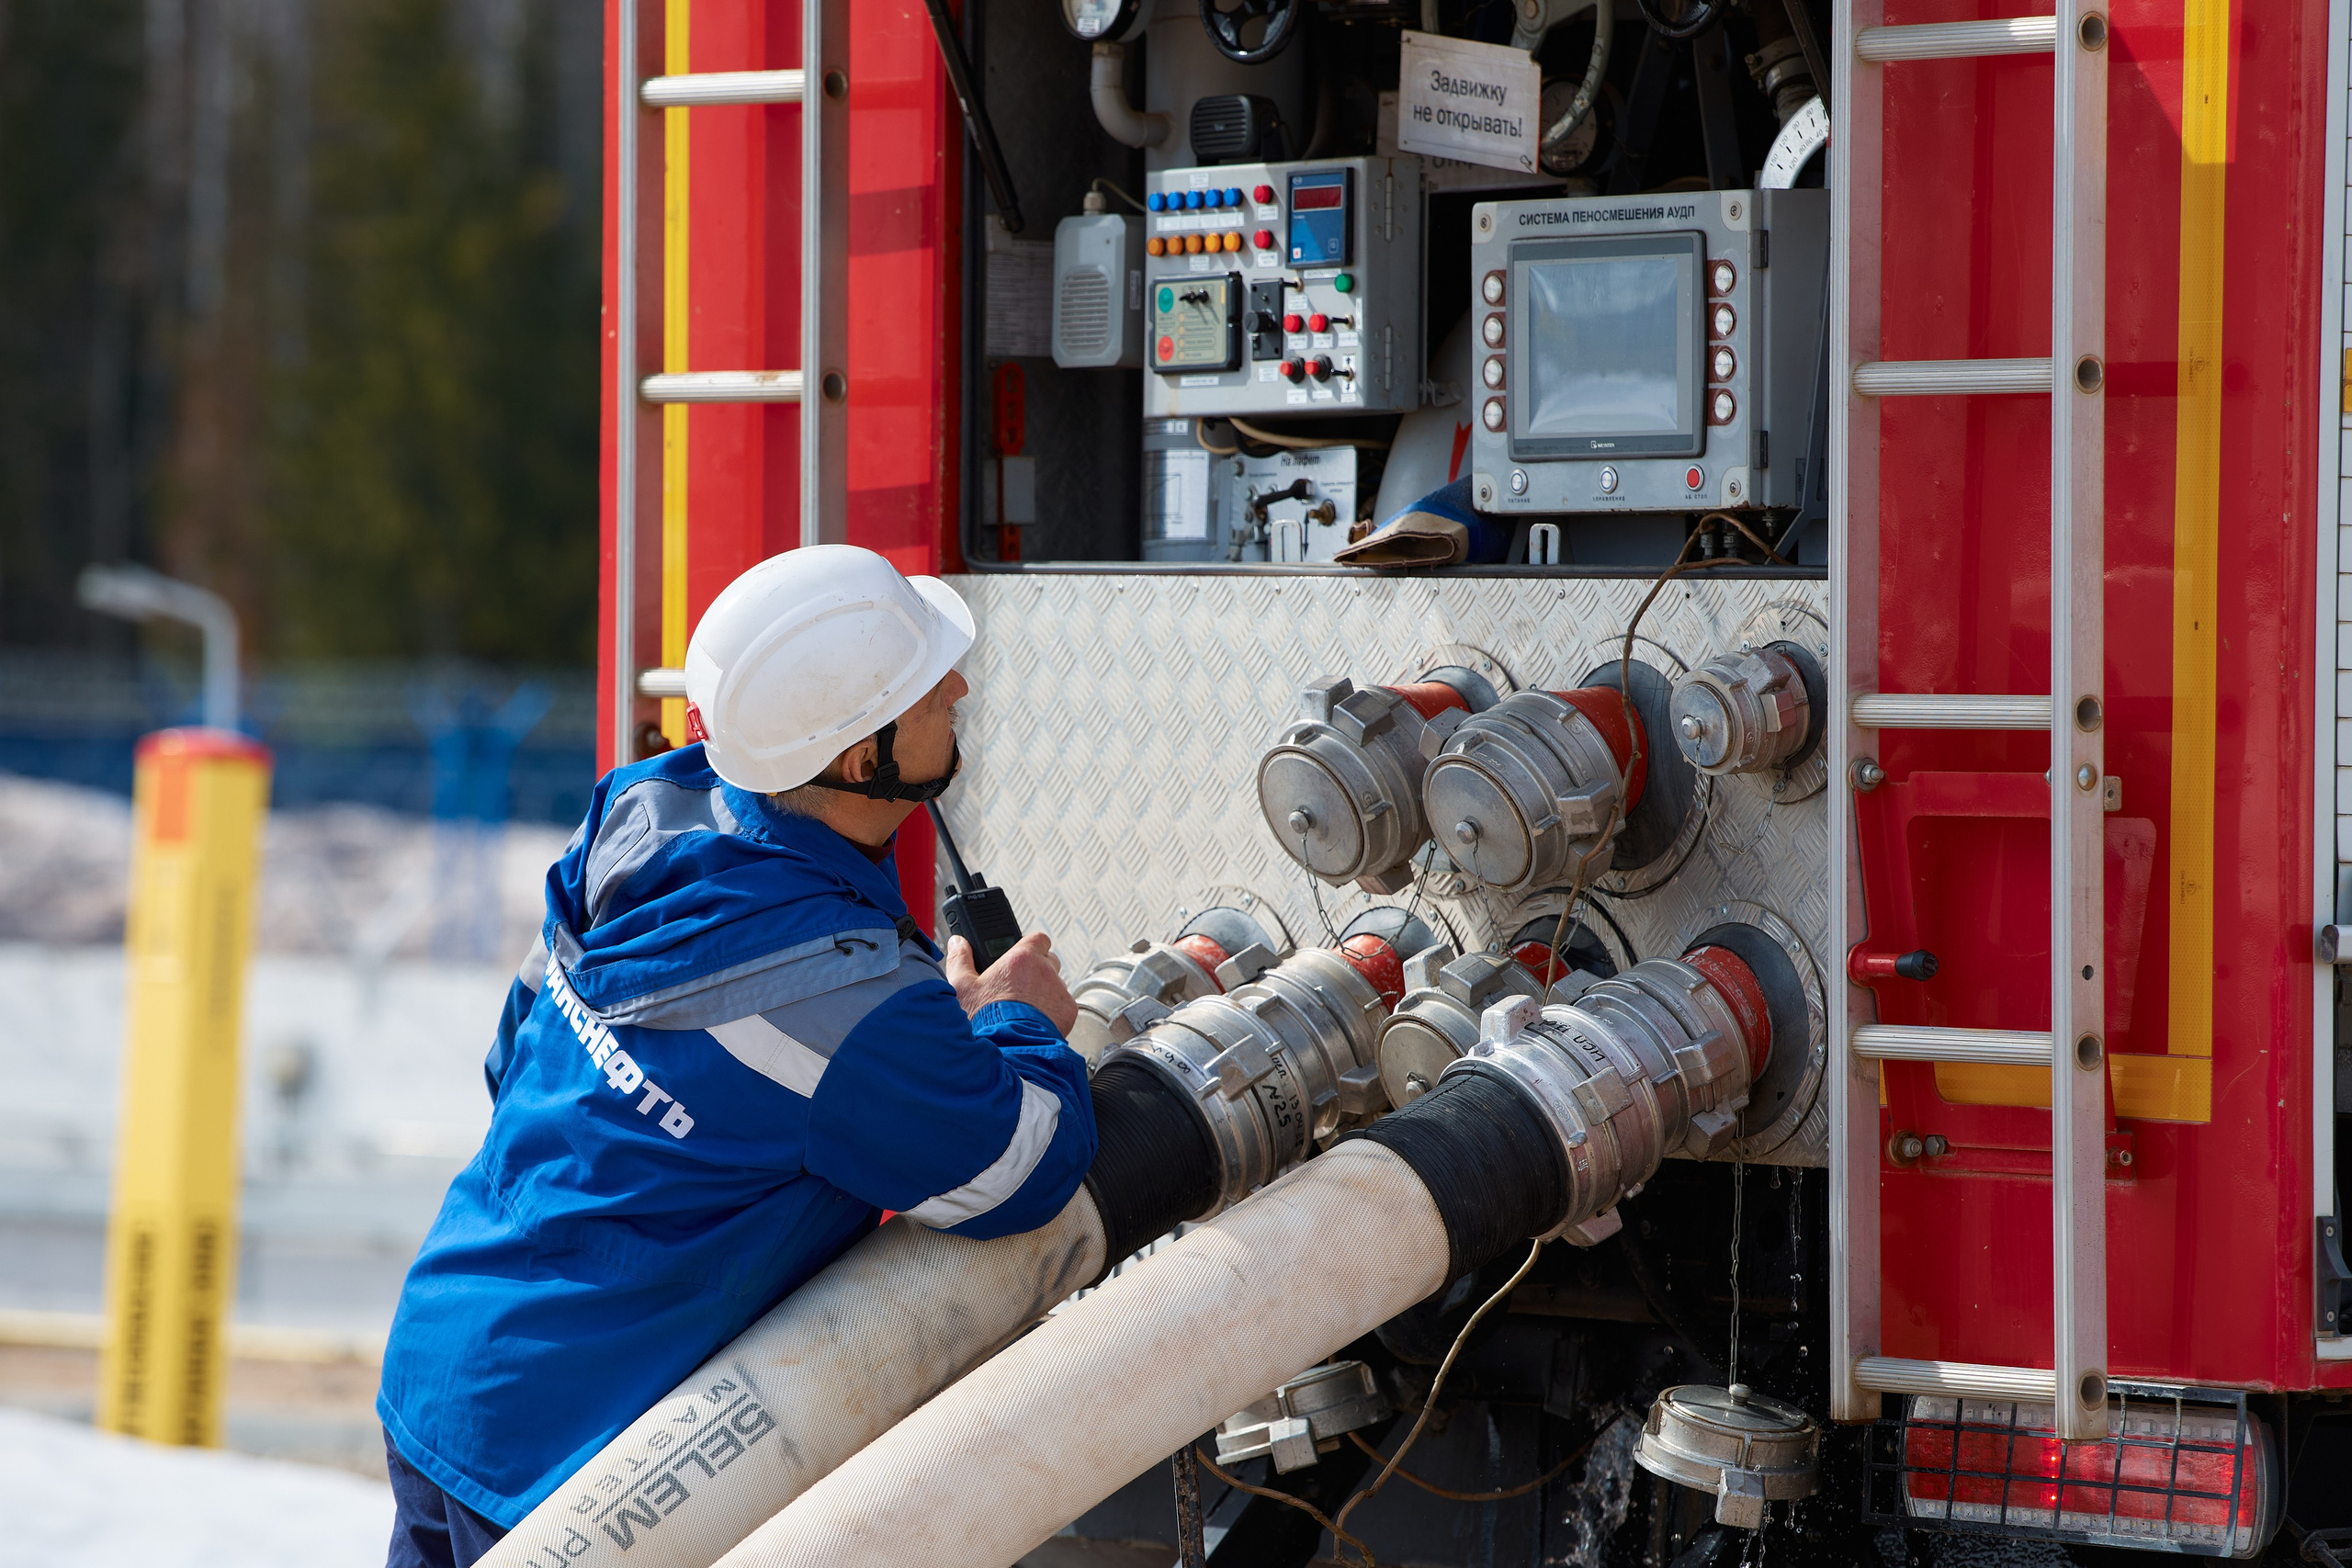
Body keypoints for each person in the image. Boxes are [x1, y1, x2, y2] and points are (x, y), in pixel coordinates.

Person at [375, 547, 1091, 1568]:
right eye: (923, 685)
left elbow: (515, 1054)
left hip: (448, 1361)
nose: (958, 688)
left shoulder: (641, 813)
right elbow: (1021, 1170)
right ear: (859, 761)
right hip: (575, 1461)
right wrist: (1010, 1020)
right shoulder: (850, 1007)